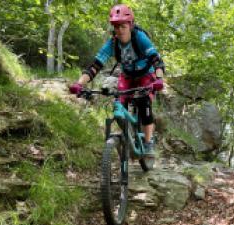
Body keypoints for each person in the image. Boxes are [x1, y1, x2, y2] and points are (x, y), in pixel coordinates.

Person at [69, 4, 165, 156]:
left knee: (145, 103)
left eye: (123, 26)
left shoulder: (140, 37)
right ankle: (126, 138)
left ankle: (148, 143)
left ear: (130, 25)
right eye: (116, 26)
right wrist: (79, 83)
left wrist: (159, 79)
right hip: (127, 76)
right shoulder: (112, 43)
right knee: (119, 105)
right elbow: (95, 66)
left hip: (146, 75)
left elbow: (156, 60)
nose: (119, 30)